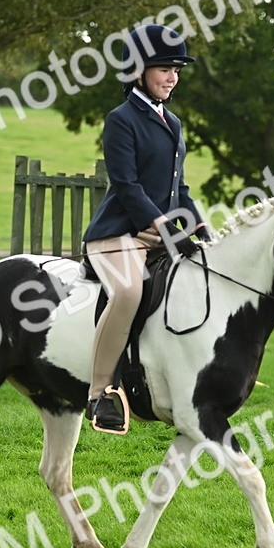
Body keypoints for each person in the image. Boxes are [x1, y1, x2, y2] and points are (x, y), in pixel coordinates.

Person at [82, 24, 210, 434]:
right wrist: (158, 223)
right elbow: (126, 184)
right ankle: (101, 394)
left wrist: (198, 222)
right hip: (117, 235)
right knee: (129, 291)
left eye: (177, 70)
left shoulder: (172, 121)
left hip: (159, 234)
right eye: (164, 69)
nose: (172, 77)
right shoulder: (121, 119)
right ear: (138, 71)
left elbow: (179, 187)